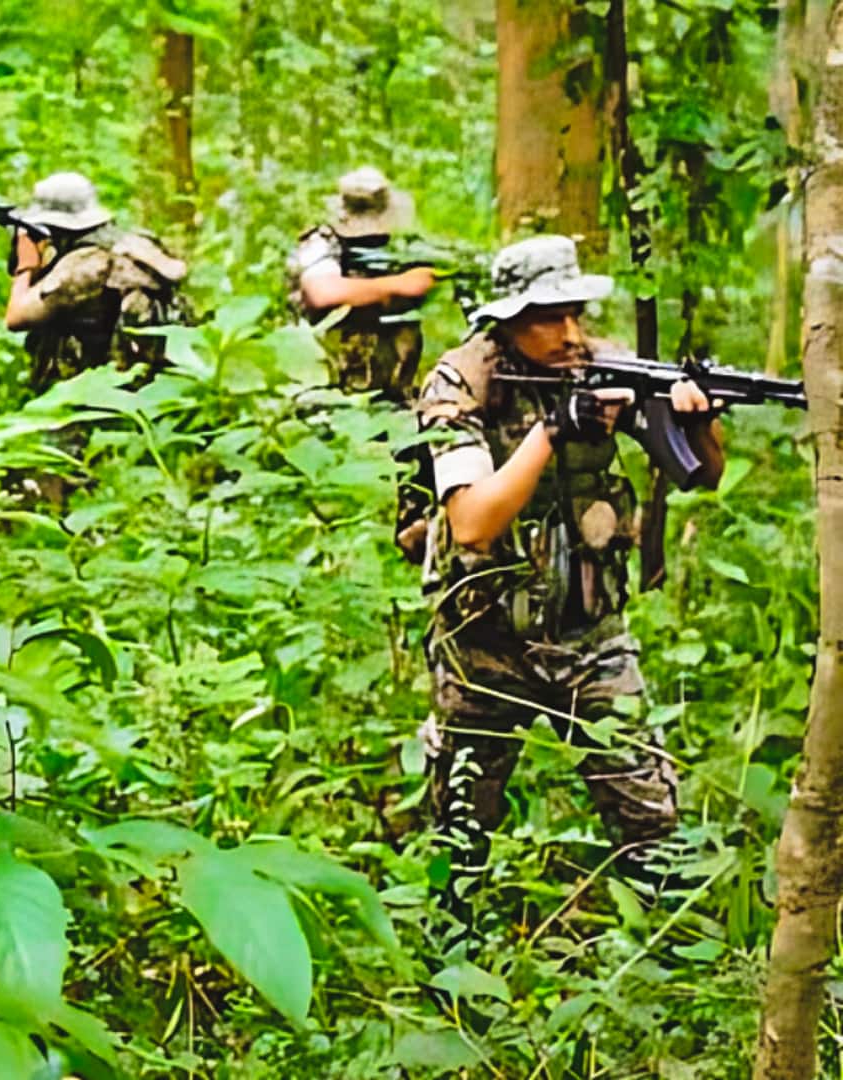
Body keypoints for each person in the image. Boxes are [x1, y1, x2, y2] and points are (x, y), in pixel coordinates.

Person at [413, 234, 720, 916]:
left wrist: (697, 419)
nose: (570, 334)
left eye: (575, 313)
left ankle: (667, 950)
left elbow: (702, 475)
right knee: (459, 834)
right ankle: (449, 955)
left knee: (652, 826)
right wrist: (553, 430)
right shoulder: (462, 382)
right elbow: (472, 523)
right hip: (484, 644)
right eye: (550, 318)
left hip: (590, 637)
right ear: (508, 321)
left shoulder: (605, 368)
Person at [2, 172, 190, 395]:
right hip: (151, 381)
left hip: (99, 390)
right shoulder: (134, 244)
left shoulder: (85, 265)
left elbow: (15, 318)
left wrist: (26, 264)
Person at [287, 167, 437, 399]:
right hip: (327, 382)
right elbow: (321, 291)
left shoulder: (394, 247)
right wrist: (400, 284)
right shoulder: (321, 241)